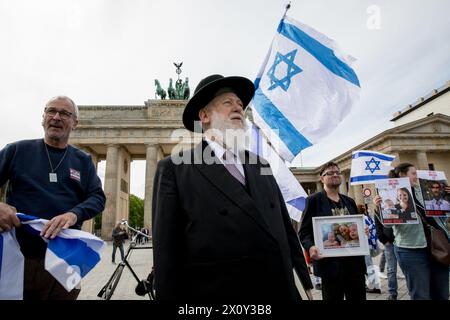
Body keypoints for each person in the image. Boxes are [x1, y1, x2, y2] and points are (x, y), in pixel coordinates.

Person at [152, 74, 313, 301]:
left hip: (280, 290)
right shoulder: (175, 170)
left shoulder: (262, 164)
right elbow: (166, 255)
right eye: (228, 103)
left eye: (240, 104)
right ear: (204, 115)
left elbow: (285, 230)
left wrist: (304, 283)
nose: (238, 108)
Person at [0, 95, 106, 300]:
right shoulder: (17, 151)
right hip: (18, 258)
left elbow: (97, 197)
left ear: (75, 123)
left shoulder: (82, 160)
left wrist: (74, 214)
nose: (56, 117)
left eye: (65, 113)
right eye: (51, 111)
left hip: (64, 262)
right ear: (43, 118)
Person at [373, 163, 449, 300]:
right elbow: (388, 225)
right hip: (411, 250)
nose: (416, 176)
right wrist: (379, 209)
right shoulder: (393, 199)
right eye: (413, 173)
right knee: (420, 295)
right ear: (402, 175)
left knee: (442, 293)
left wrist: (446, 197)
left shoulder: (424, 192)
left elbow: (443, 216)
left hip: (437, 247)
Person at [299, 161, 367, 300]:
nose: (335, 175)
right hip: (330, 266)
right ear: (322, 178)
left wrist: (362, 231)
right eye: (330, 173)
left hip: (354, 265)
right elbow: (304, 232)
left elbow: (354, 229)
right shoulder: (313, 200)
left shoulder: (349, 201)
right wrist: (311, 247)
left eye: (337, 172)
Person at [374, 207, 399, 300]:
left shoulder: (398, 206)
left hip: (403, 241)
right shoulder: (379, 210)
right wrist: (384, 240)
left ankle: (411, 289)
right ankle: (392, 293)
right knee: (391, 269)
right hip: (390, 242)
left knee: (407, 268)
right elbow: (378, 227)